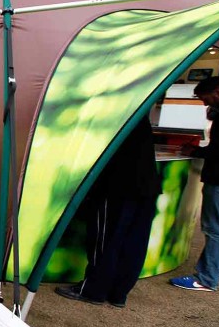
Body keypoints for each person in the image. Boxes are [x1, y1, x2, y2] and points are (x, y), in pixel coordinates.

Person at [56, 118, 160, 306]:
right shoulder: (141, 109)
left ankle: (93, 290)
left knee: (106, 241)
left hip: (117, 187)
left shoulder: (118, 110)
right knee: (134, 243)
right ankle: (119, 294)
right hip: (146, 186)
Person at [172, 76, 219, 291]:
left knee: (215, 229)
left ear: (218, 93)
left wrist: (195, 151)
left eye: (205, 99)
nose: (205, 104)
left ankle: (206, 279)